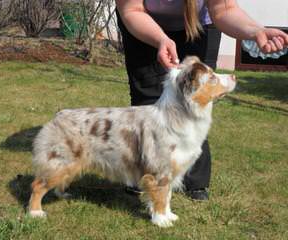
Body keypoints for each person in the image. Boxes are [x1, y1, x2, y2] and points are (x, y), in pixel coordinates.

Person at [115, 0, 288, 200]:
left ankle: (195, 182)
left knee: (198, 102)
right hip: (142, 21)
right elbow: (131, 10)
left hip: (198, 25)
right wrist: (161, 39)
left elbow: (224, 9)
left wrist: (256, 31)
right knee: (148, 99)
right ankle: (145, 175)